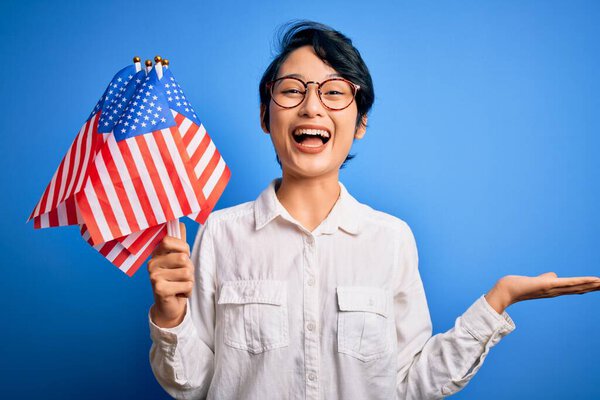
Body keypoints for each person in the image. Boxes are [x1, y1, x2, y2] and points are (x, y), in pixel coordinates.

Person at [146, 21, 600, 400]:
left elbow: (412, 382)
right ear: (266, 115)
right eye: (291, 91)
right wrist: (169, 316)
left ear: (360, 123)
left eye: (334, 92)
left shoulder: (392, 239)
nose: (311, 107)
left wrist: (499, 300)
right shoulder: (219, 235)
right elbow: (194, 385)